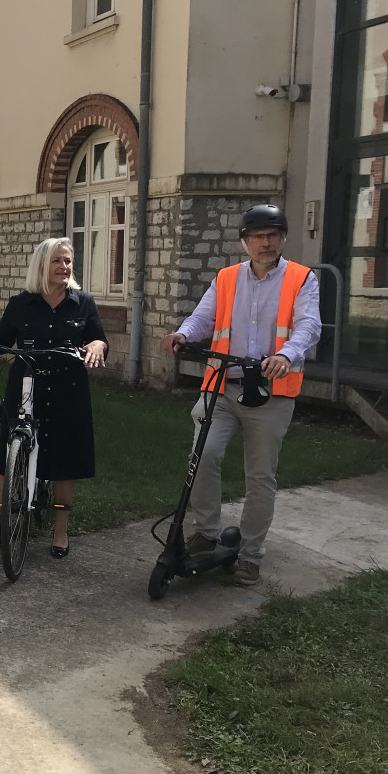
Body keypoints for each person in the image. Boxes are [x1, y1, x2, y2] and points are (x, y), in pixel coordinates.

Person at [161, 204, 321, 585]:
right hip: (222, 388)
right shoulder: (228, 277)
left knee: (260, 476)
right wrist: (184, 333)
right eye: (259, 237)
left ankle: (250, 554)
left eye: (274, 235)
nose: (267, 243)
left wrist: (286, 354)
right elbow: (204, 317)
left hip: (271, 392)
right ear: (245, 242)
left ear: (282, 237)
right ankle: (206, 531)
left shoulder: (302, 278)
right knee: (202, 456)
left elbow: (309, 325)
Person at [0, 237, 108, 558]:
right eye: (57, 260)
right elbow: (0, 341)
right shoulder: (21, 303)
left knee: (64, 463)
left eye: (68, 261)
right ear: (42, 264)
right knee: (6, 458)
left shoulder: (83, 302)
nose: (64, 267)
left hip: (68, 392)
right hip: (25, 388)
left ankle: (60, 529)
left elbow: (98, 338)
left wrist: (97, 345)